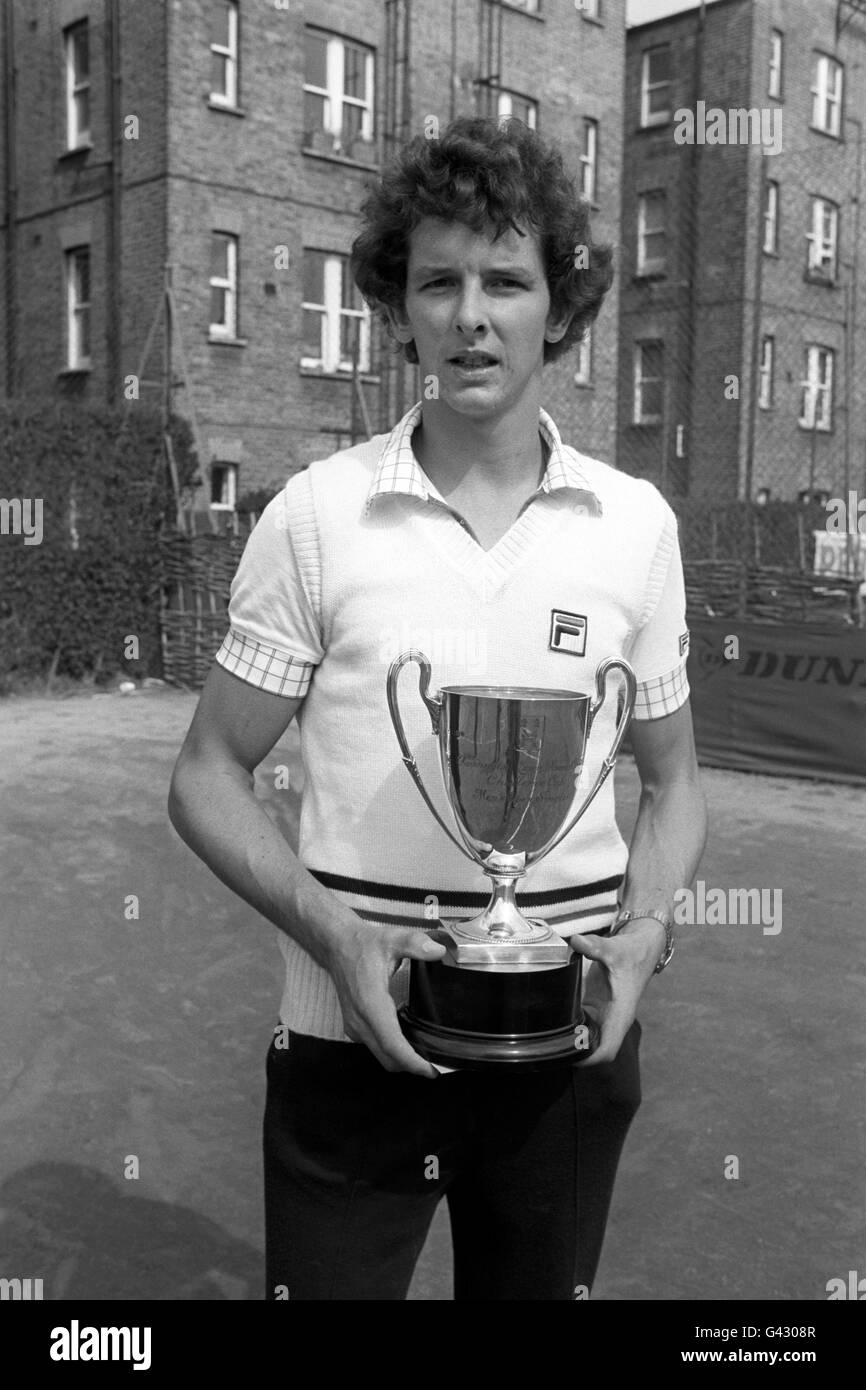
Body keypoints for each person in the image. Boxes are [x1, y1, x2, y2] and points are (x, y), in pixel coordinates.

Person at [168, 116, 707, 1302]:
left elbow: (672, 781)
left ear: (558, 311)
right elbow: (207, 772)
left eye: (505, 280)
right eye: (437, 280)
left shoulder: (635, 528)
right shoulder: (315, 513)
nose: (470, 313)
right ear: (396, 305)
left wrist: (648, 928)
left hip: (561, 1047)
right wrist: (341, 940)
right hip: (346, 1044)